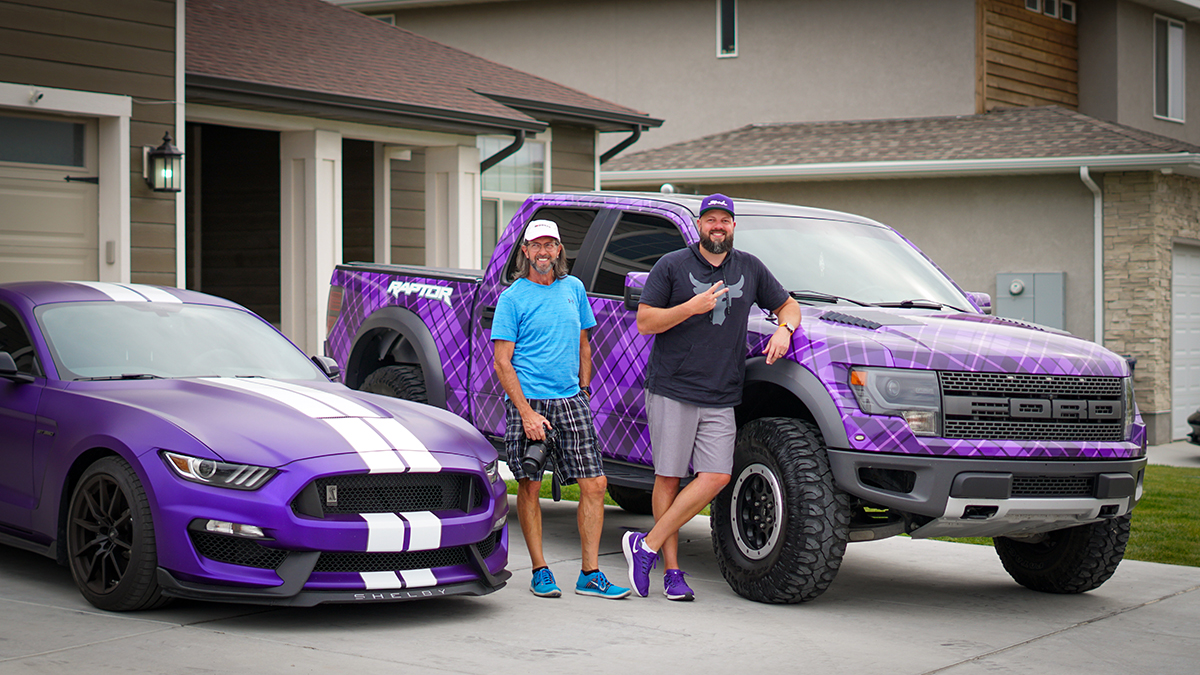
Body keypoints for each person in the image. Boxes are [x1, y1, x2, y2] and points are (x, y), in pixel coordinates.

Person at [622, 194, 801, 600]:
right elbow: (646, 322)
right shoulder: (673, 265)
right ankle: (671, 572)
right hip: (674, 387)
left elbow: (789, 306)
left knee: (717, 476)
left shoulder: (750, 268)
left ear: (733, 226)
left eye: (725, 220)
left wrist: (784, 330)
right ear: (699, 225)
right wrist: (690, 307)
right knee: (668, 477)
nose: (717, 226)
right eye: (710, 220)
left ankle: (644, 545)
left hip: (722, 392)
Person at [493, 218, 631, 600]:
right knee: (529, 485)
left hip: (571, 400)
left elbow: (585, 344)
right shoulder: (513, 298)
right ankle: (540, 570)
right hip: (529, 404)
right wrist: (525, 412)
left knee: (595, 485)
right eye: (536, 245)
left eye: (549, 245)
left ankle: (590, 574)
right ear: (525, 251)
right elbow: (502, 363)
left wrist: (584, 392)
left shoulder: (574, 289)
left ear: (558, 250)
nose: (543, 252)